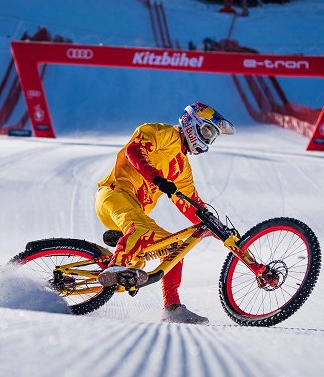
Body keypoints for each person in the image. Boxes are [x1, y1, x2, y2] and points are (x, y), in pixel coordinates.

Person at [95, 103, 236, 324]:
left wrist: (215, 227)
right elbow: (134, 150)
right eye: (207, 132)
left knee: (174, 250)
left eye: (212, 137)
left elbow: (190, 203)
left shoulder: (182, 167)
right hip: (114, 195)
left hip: (133, 209)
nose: (208, 140)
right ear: (193, 124)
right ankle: (116, 266)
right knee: (139, 229)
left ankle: (172, 308)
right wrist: (157, 178)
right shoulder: (164, 133)